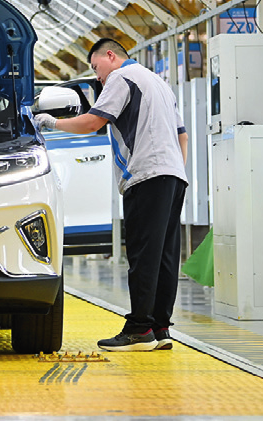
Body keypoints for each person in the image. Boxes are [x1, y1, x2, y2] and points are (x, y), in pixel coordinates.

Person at [34, 37, 188, 352]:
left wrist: (51, 122)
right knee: (164, 256)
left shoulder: (122, 77)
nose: (98, 76)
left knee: (143, 255)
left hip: (146, 175)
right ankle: (160, 328)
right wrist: (173, 169)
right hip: (173, 175)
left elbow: (93, 123)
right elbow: (182, 135)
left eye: (96, 67)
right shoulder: (159, 83)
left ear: (110, 55)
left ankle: (139, 329)